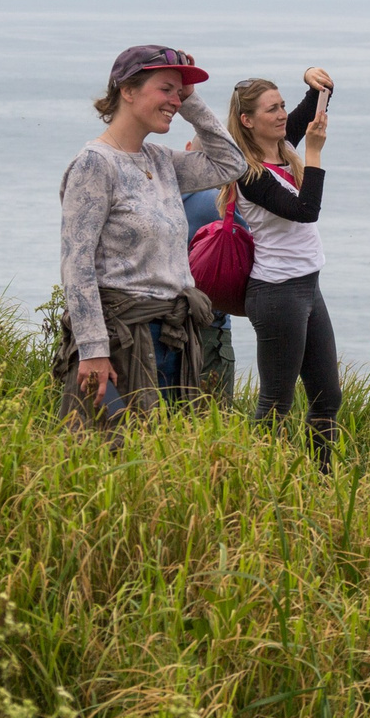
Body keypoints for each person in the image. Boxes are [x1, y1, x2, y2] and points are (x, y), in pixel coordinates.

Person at [56, 46, 244, 429]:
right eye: (166, 90)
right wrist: (93, 351)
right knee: (114, 454)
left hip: (173, 336)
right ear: (127, 90)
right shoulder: (95, 164)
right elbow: (77, 265)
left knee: (168, 459)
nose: (175, 100)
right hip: (123, 341)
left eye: (179, 92)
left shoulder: (161, 161)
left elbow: (232, 163)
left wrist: (192, 101)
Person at [224, 68, 340, 465]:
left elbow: (320, 97)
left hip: (309, 286)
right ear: (247, 120)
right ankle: (255, 480)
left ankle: (322, 481)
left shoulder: (280, 146)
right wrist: (315, 153)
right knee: (276, 402)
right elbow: (305, 211)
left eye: (283, 107)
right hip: (277, 293)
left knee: (328, 397)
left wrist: (313, 78)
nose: (281, 115)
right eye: (272, 109)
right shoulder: (249, 172)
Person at [178, 182, 239, 407]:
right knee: (212, 423)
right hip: (209, 331)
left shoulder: (165, 192)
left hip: (160, 325)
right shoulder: (218, 201)